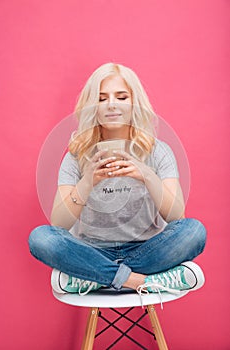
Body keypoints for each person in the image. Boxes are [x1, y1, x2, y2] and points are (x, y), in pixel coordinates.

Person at [28, 63, 206, 303]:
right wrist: (87, 181)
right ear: (94, 106)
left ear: (134, 103)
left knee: (194, 231)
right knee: (41, 238)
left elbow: (176, 216)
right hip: (91, 250)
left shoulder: (158, 151)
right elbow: (59, 223)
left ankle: (94, 277)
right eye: (102, 98)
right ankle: (141, 282)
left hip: (146, 250)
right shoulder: (76, 154)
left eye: (121, 97)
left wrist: (146, 175)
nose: (112, 104)